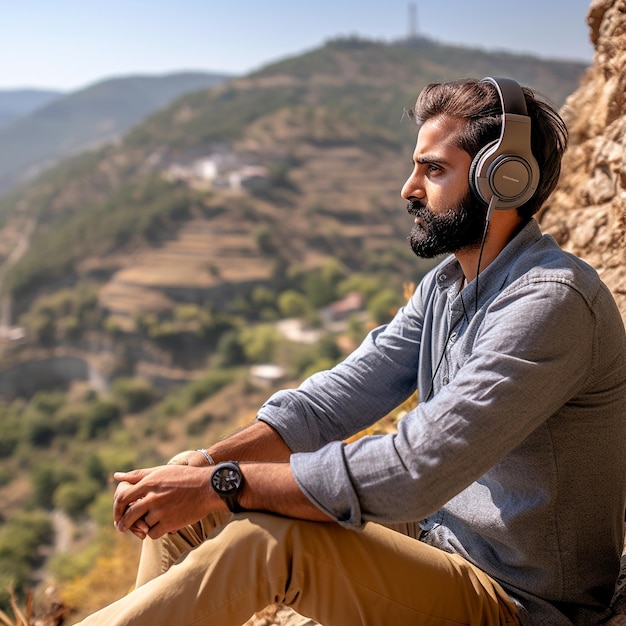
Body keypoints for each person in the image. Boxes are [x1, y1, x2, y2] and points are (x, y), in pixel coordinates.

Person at [75, 77, 626, 626]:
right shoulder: (447, 286)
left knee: (267, 540)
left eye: (434, 170)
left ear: (503, 180)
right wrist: (209, 467)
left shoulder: (551, 303)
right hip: (439, 543)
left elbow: (414, 470)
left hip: (517, 603)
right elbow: (330, 404)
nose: (408, 188)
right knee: (192, 481)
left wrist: (223, 485)